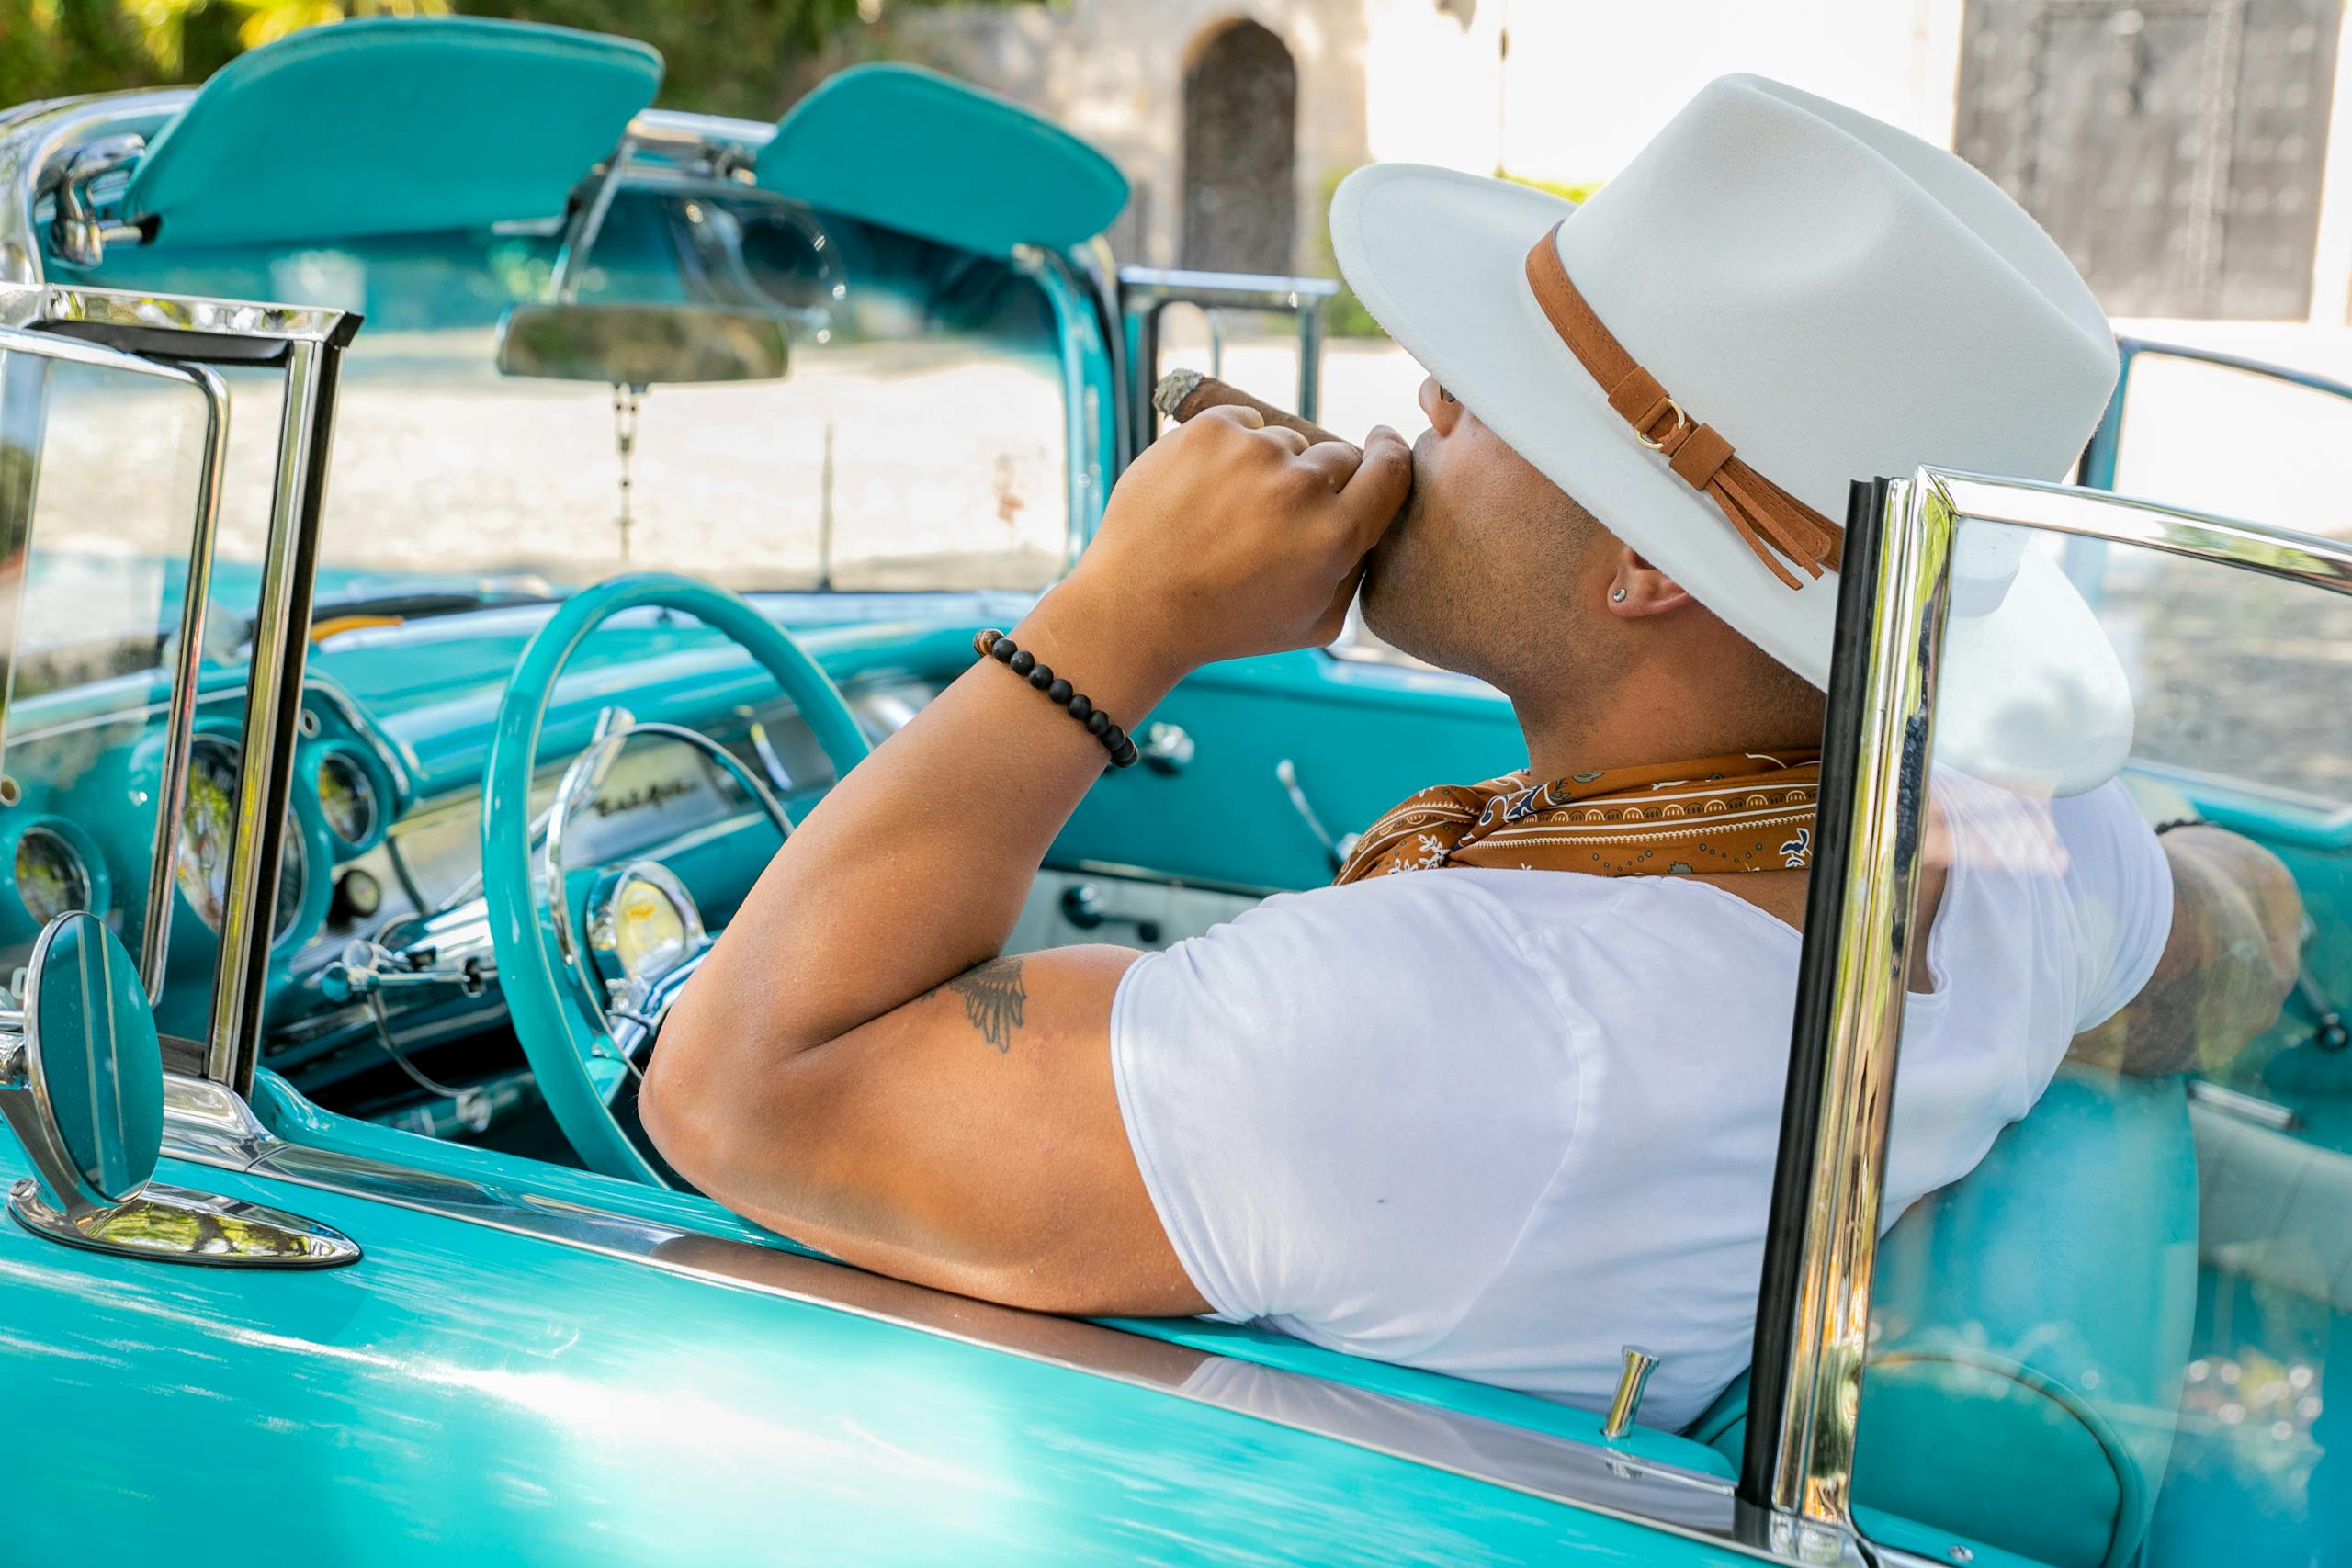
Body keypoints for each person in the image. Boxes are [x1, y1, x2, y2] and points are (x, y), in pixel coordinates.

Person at [640, 76, 2299, 1430]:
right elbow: (2243, 918)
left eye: (1491, 392)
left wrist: (1113, 623)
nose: (1421, 397)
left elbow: (734, 1095)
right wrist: (2080, 1006)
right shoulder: (2020, 848)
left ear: (1648, 566)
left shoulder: (1430, 1032)